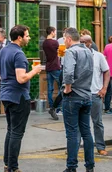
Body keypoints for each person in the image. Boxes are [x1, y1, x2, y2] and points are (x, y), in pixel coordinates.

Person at [0, 25, 42, 172]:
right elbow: (21, 78)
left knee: (11, 130)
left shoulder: (3, 50)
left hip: (5, 94)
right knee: (17, 133)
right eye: (27, 36)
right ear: (19, 37)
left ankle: (7, 164)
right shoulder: (19, 54)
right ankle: (13, 167)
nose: (29, 38)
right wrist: (34, 71)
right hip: (18, 96)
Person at [61, 27, 94, 172]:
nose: (64, 41)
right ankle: (90, 165)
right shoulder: (88, 51)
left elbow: (68, 73)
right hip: (87, 95)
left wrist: (67, 88)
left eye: (64, 38)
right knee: (86, 132)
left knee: (72, 133)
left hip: (73, 96)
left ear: (68, 39)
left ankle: (71, 167)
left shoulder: (71, 52)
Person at [79, 35, 110, 156]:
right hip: (80, 94)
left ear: (89, 43)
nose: (80, 44)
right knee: (79, 122)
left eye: (83, 42)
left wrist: (104, 88)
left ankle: (100, 146)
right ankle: (76, 146)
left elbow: (106, 71)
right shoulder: (76, 55)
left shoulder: (99, 56)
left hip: (95, 94)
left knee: (97, 122)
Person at [43, 26, 62, 120]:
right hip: (55, 66)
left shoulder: (44, 43)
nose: (55, 33)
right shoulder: (55, 42)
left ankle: (51, 106)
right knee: (62, 87)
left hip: (48, 66)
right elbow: (60, 52)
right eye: (54, 32)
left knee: (50, 88)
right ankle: (57, 106)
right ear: (51, 32)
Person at [104, 35, 112, 113]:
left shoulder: (107, 47)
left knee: (108, 90)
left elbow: (104, 57)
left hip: (108, 71)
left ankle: (107, 108)